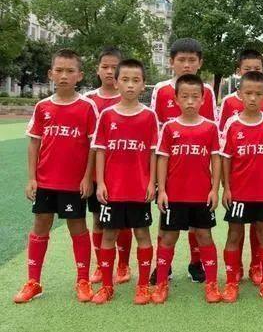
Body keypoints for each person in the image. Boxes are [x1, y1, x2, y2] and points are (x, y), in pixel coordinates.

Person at [14, 49, 97, 304]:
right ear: (50, 74)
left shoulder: (87, 107)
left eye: (70, 71)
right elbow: (34, 143)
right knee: (41, 224)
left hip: (74, 183)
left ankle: (82, 280)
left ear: (79, 75)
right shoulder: (43, 107)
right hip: (46, 181)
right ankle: (33, 282)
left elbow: (93, 147)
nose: (64, 75)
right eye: (59, 70)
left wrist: (87, 177)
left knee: (77, 226)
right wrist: (32, 178)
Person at [90, 59, 159, 305]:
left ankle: (142, 286)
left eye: (136, 80)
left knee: (142, 233)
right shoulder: (107, 115)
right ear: (116, 83)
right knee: (109, 234)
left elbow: (153, 152)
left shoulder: (149, 116)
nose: (130, 85)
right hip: (113, 189)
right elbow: (100, 150)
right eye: (125, 80)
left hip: (139, 189)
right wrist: (100, 183)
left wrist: (152, 182)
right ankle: (107, 286)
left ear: (143, 85)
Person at [150, 37, 216, 284]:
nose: (186, 65)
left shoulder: (207, 91)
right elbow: (155, 127)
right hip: (169, 164)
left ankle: (196, 264)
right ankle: (163, 267)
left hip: (196, 167)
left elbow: (212, 130)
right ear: (171, 62)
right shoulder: (161, 89)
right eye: (181, 60)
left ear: (200, 63)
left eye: (191, 60)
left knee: (198, 223)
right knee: (166, 219)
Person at [221, 71, 263, 303]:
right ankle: (231, 282)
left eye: (258, 94)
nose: (253, 98)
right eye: (248, 93)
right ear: (239, 94)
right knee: (234, 233)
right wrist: (226, 188)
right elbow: (226, 158)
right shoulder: (232, 124)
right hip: (239, 192)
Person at [84, 46, 133, 286]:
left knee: (123, 222)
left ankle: (123, 264)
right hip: (97, 173)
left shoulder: (129, 98)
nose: (110, 71)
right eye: (105, 67)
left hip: (125, 175)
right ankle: (100, 264)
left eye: (115, 67)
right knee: (98, 219)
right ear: (97, 69)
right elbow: (88, 142)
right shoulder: (88, 100)